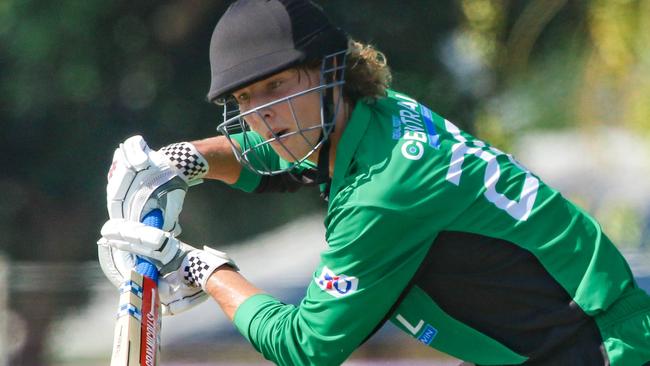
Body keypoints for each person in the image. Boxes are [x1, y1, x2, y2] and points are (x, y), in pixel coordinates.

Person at [97, 0, 650, 365]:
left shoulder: (387, 193)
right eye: (243, 100)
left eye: (275, 87)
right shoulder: (383, 113)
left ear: (329, 70)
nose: (261, 113)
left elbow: (306, 345)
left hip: (604, 351)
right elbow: (289, 153)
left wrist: (201, 270)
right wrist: (182, 160)